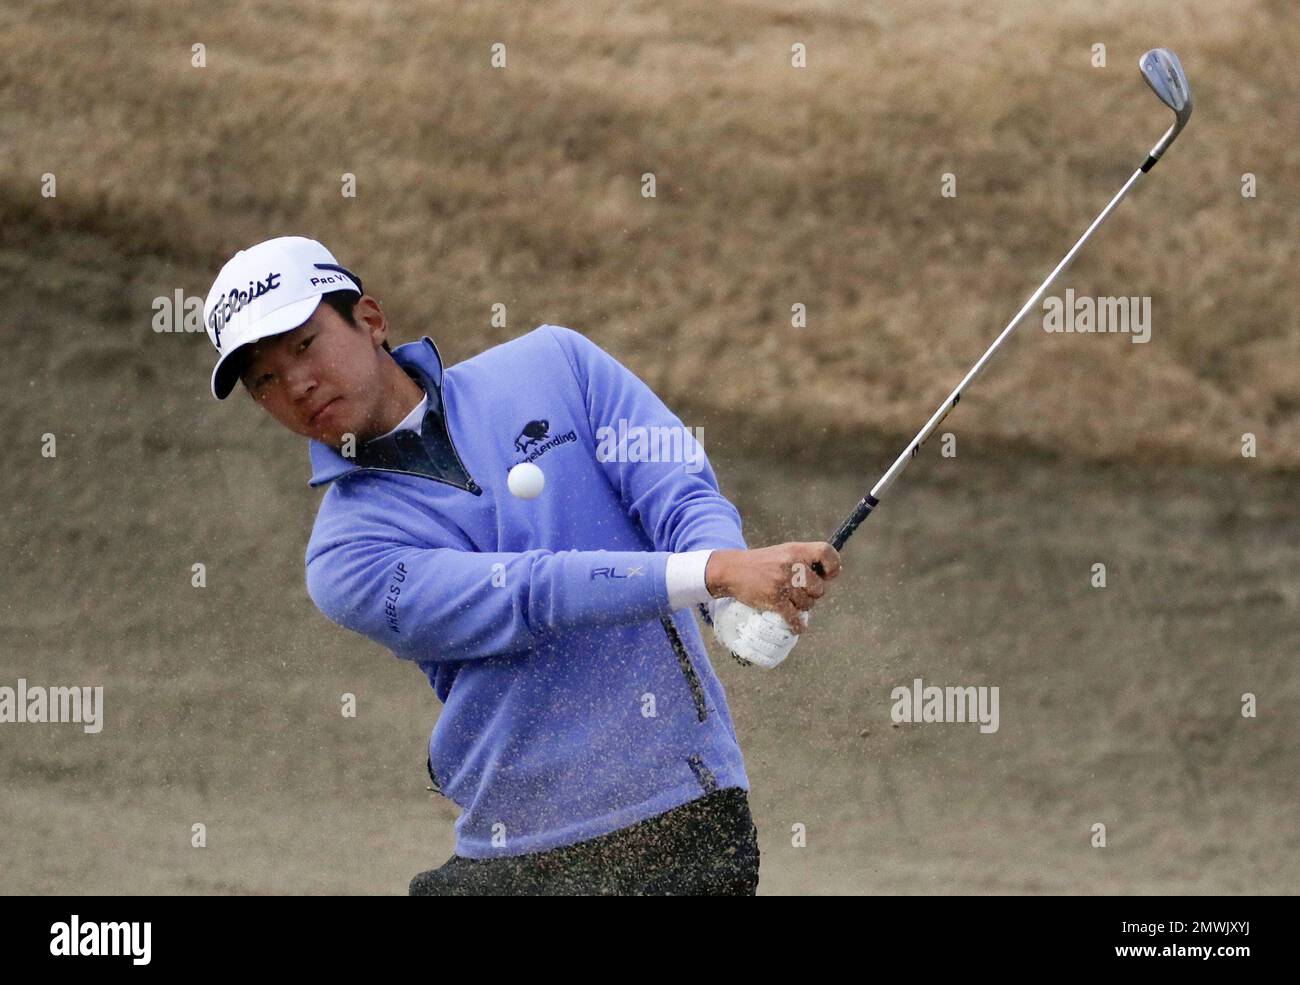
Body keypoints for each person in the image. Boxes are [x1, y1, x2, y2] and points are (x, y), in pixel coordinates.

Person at [204, 235, 841, 895]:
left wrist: (731, 599)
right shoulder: (345, 557)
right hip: (517, 852)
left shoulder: (555, 365)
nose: (297, 386)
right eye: (265, 381)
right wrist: (712, 575)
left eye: (304, 345)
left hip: (682, 815)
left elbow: (677, 496)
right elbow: (527, 595)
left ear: (369, 320)